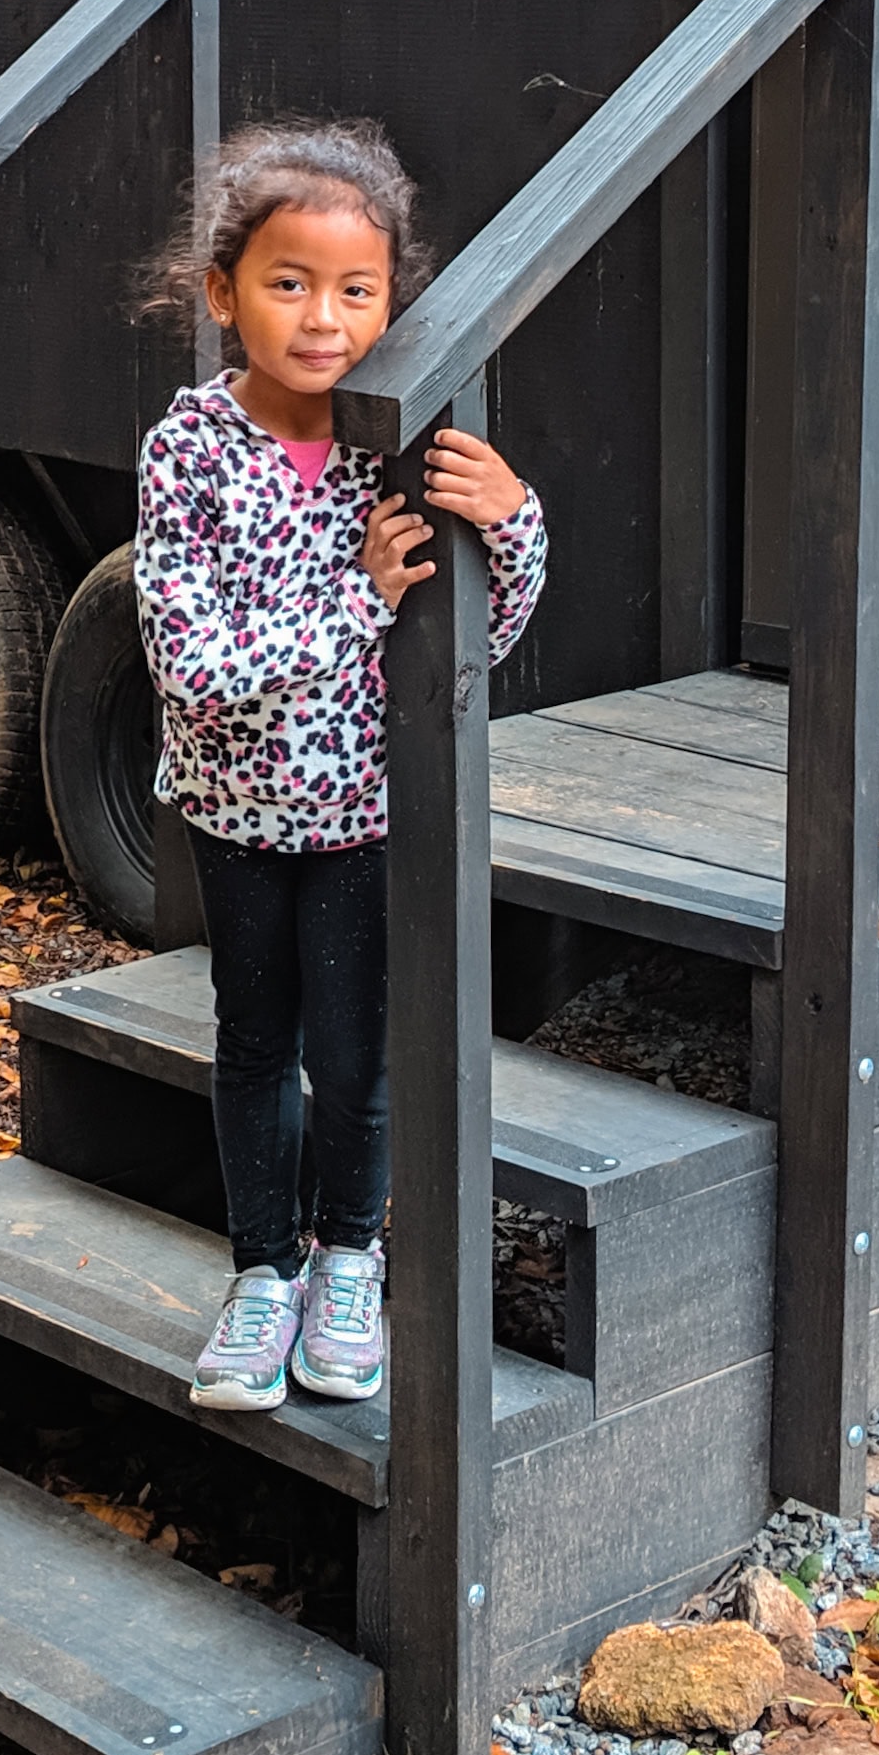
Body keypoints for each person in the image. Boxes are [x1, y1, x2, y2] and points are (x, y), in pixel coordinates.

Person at [133, 120, 546, 1412]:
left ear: (388, 298)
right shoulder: (188, 450)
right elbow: (190, 661)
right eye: (288, 282)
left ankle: (348, 1261)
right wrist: (354, 603)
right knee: (256, 1043)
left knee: (356, 1055)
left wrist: (513, 516)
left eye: (354, 288)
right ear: (222, 292)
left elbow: (486, 628)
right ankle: (262, 1273)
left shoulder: (401, 440)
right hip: (237, 814)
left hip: (366, 813)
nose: (323, 316)